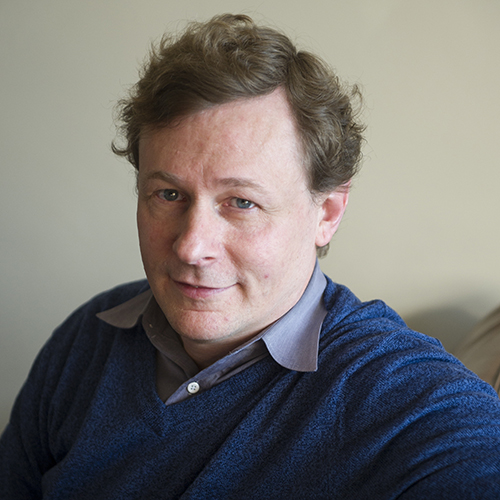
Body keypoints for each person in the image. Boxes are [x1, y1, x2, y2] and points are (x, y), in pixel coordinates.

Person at [1, 13, 500, 499]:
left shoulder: (411, 402)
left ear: (326, 211)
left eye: (242, 202)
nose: (191, 247)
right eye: (168, 195)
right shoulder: (87, 337)